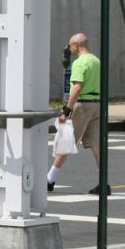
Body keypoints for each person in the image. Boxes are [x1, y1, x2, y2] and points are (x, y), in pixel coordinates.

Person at [47, 32, 107, 195]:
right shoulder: (96, 61)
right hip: (97, 105)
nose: (70, 50)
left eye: (70, 46)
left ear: (76, 45)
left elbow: (77, 87)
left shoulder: (80, 63)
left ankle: (50, 179)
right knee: (96, 145)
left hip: (83, 105)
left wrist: (66, 110)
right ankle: (104, 182)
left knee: (66, 141)